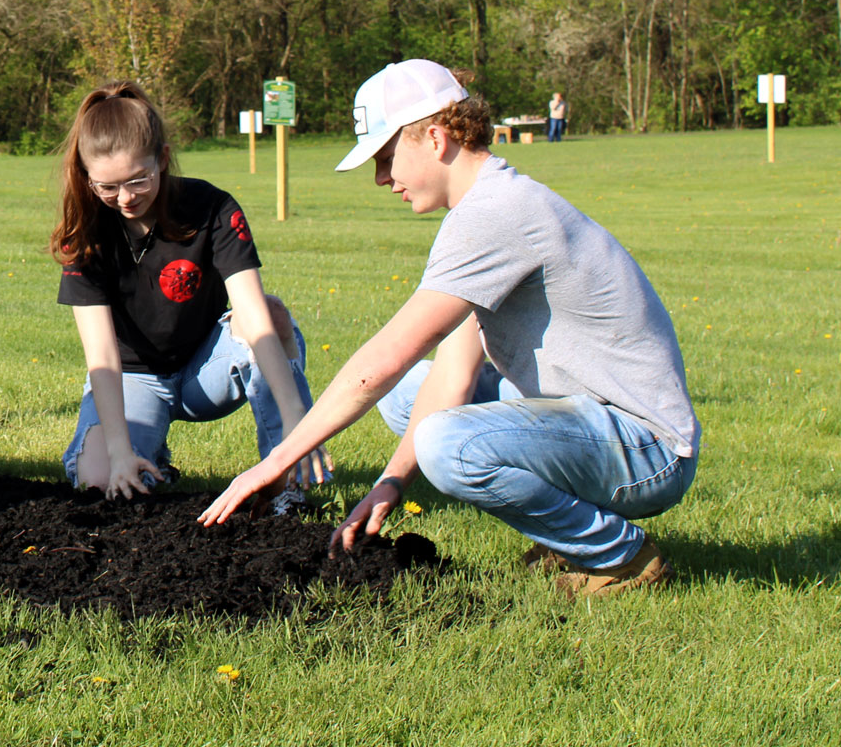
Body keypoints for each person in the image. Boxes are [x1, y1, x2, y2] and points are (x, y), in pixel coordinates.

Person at [200, 60, 698, 599]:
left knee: (445, 440)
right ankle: (570, 536)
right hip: (598, 425)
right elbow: (454, 376)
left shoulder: (495, 214)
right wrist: (391, 484)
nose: (381, 179)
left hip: (646, 450)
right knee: (413, 399)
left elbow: (382, 362)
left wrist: (275, 462)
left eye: (387, 158)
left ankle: (617, 555)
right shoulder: (490, 206)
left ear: (435, 138)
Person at [52, 82, 330, 499]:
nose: (125, 198)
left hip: (205, 368)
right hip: (133, 378)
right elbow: (102, 355)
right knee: (101, 480)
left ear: (162, 159)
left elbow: (253, 315)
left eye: (138, 180)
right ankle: (149, 456)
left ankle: (286, 482)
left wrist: (297, 421)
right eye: (107, 187)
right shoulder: (85, 234)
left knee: (271, 312)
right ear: (87, 177)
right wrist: (119, 450)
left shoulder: (212, 207)